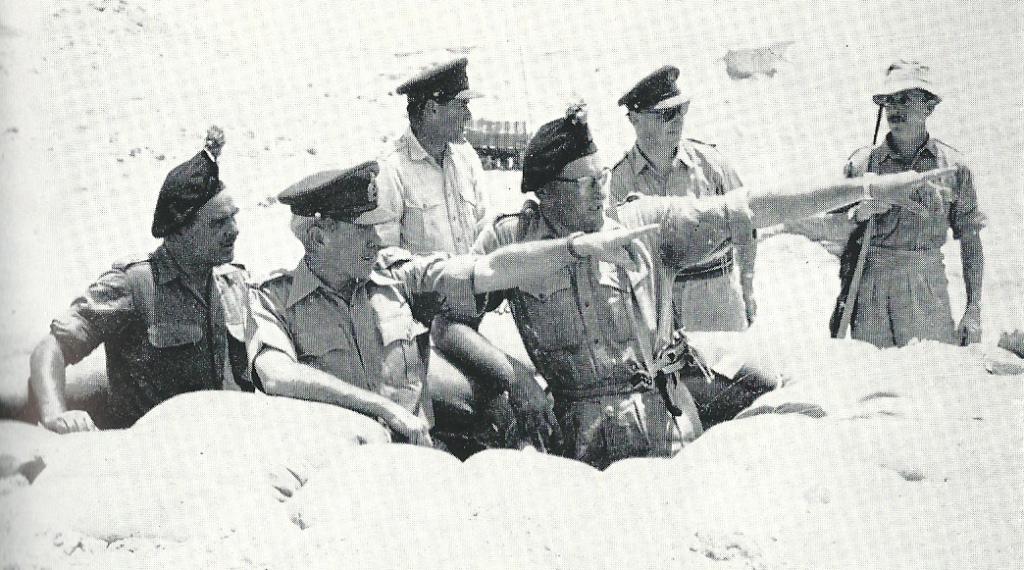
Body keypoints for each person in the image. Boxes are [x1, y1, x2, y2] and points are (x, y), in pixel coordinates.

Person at [468, 104, 955, 468]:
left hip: (662, 422)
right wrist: (514, 378)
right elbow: (450, 320)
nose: (601, 190)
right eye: (585, 182)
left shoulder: (642, 226)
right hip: (578, 433)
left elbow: (753, 207)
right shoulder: (511, 238)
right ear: (547, 192)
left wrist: (867, 189)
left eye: (602, 177)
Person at [247, 160, 638, 448]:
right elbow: (278, 375)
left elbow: (489, 269)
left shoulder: (398, 278)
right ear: (318, 238)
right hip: (343, 471)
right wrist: (382, 408)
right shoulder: (273, 299)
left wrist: (574, 248)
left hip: (419, 463)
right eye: (362, 230)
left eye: (377, 229)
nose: (377, 241)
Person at [29, 127, 251, 433]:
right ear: (180, 231)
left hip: (224, 437)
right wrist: (55, 414)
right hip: (150, 447)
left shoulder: (233, 284)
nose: (234, 230)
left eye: (233, 217)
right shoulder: (134, 285)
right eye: (218, 223)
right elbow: (51, 348)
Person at [376, 57, 540, 455]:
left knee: (536, 386)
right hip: (423, 333)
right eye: (461, 105)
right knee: (491, 406)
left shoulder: (466, 159)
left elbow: (484, 235)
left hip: (472, 321)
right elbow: (382, 267)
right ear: (431, 109)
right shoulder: (391, 171)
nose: (470, 115)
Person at [831, 60, 985, 348]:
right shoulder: (862, 164)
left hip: (926, 287)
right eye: (889, 101)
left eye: (903, 99)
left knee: (932, 369)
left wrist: (973, 307)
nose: (894, 108)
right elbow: (831, 230)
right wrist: (859, 213)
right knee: (874, 372)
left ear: (928, 107)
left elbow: (971, 238)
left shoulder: (953, 167)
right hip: (871, 287)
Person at [610, 65, 756, 331]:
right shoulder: (618, 181)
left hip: (715, 302)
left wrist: (748, 286)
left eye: (681, 110)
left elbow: (747, 222)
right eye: (666, 114)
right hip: (655, 311)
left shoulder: (710, 163)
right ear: (635, 119)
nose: (677, 120)